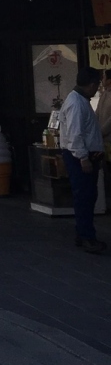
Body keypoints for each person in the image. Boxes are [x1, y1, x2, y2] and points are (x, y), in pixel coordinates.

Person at [58, 66, 106, 254]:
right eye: (97, 85)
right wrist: (83, 158)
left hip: (84, 154)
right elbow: (75, 134)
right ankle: (87, 236)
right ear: (92, 84)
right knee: (85, 196)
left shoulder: (78, 100)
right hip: (80, 156)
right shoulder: (76, 104)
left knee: (87, 196)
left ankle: (83, 233)